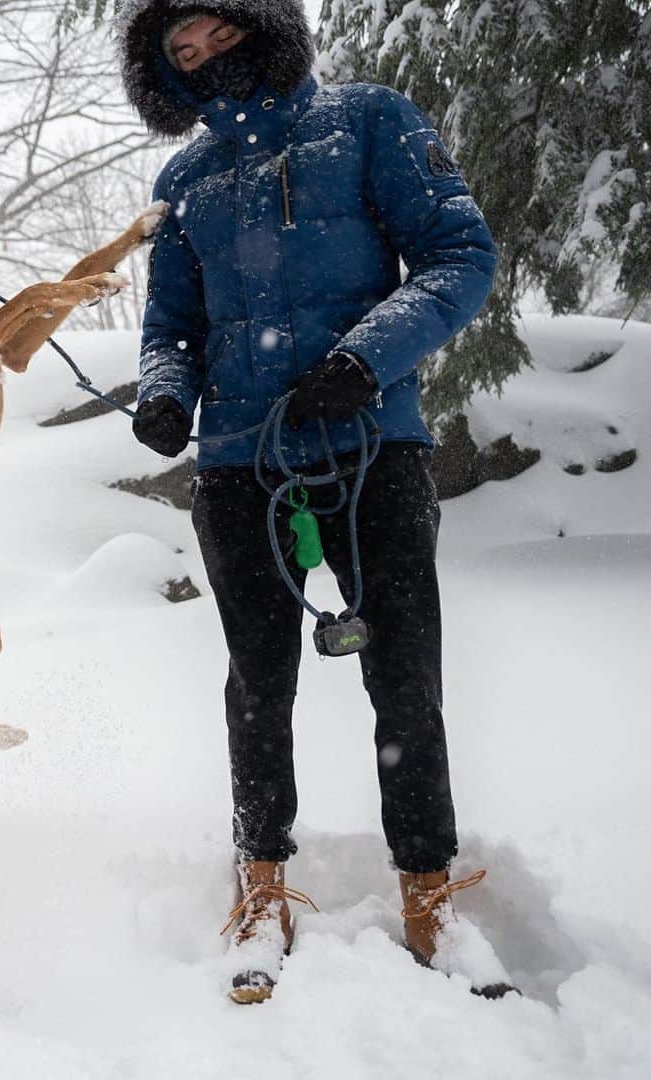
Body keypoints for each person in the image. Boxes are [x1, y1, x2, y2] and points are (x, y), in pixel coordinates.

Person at [115, 0, 500, 1004]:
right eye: (181, 55)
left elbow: (461, 258)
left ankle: (432, 898)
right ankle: (261, 894)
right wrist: (164, 393)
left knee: (405, 677)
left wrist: (365, 362)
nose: (203, 62)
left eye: (215, 36)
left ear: (260, 25)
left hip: (371, 446)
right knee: (258, 683)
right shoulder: (186, 178)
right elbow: (171, 322)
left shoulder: (371, 121)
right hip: (240, 462)